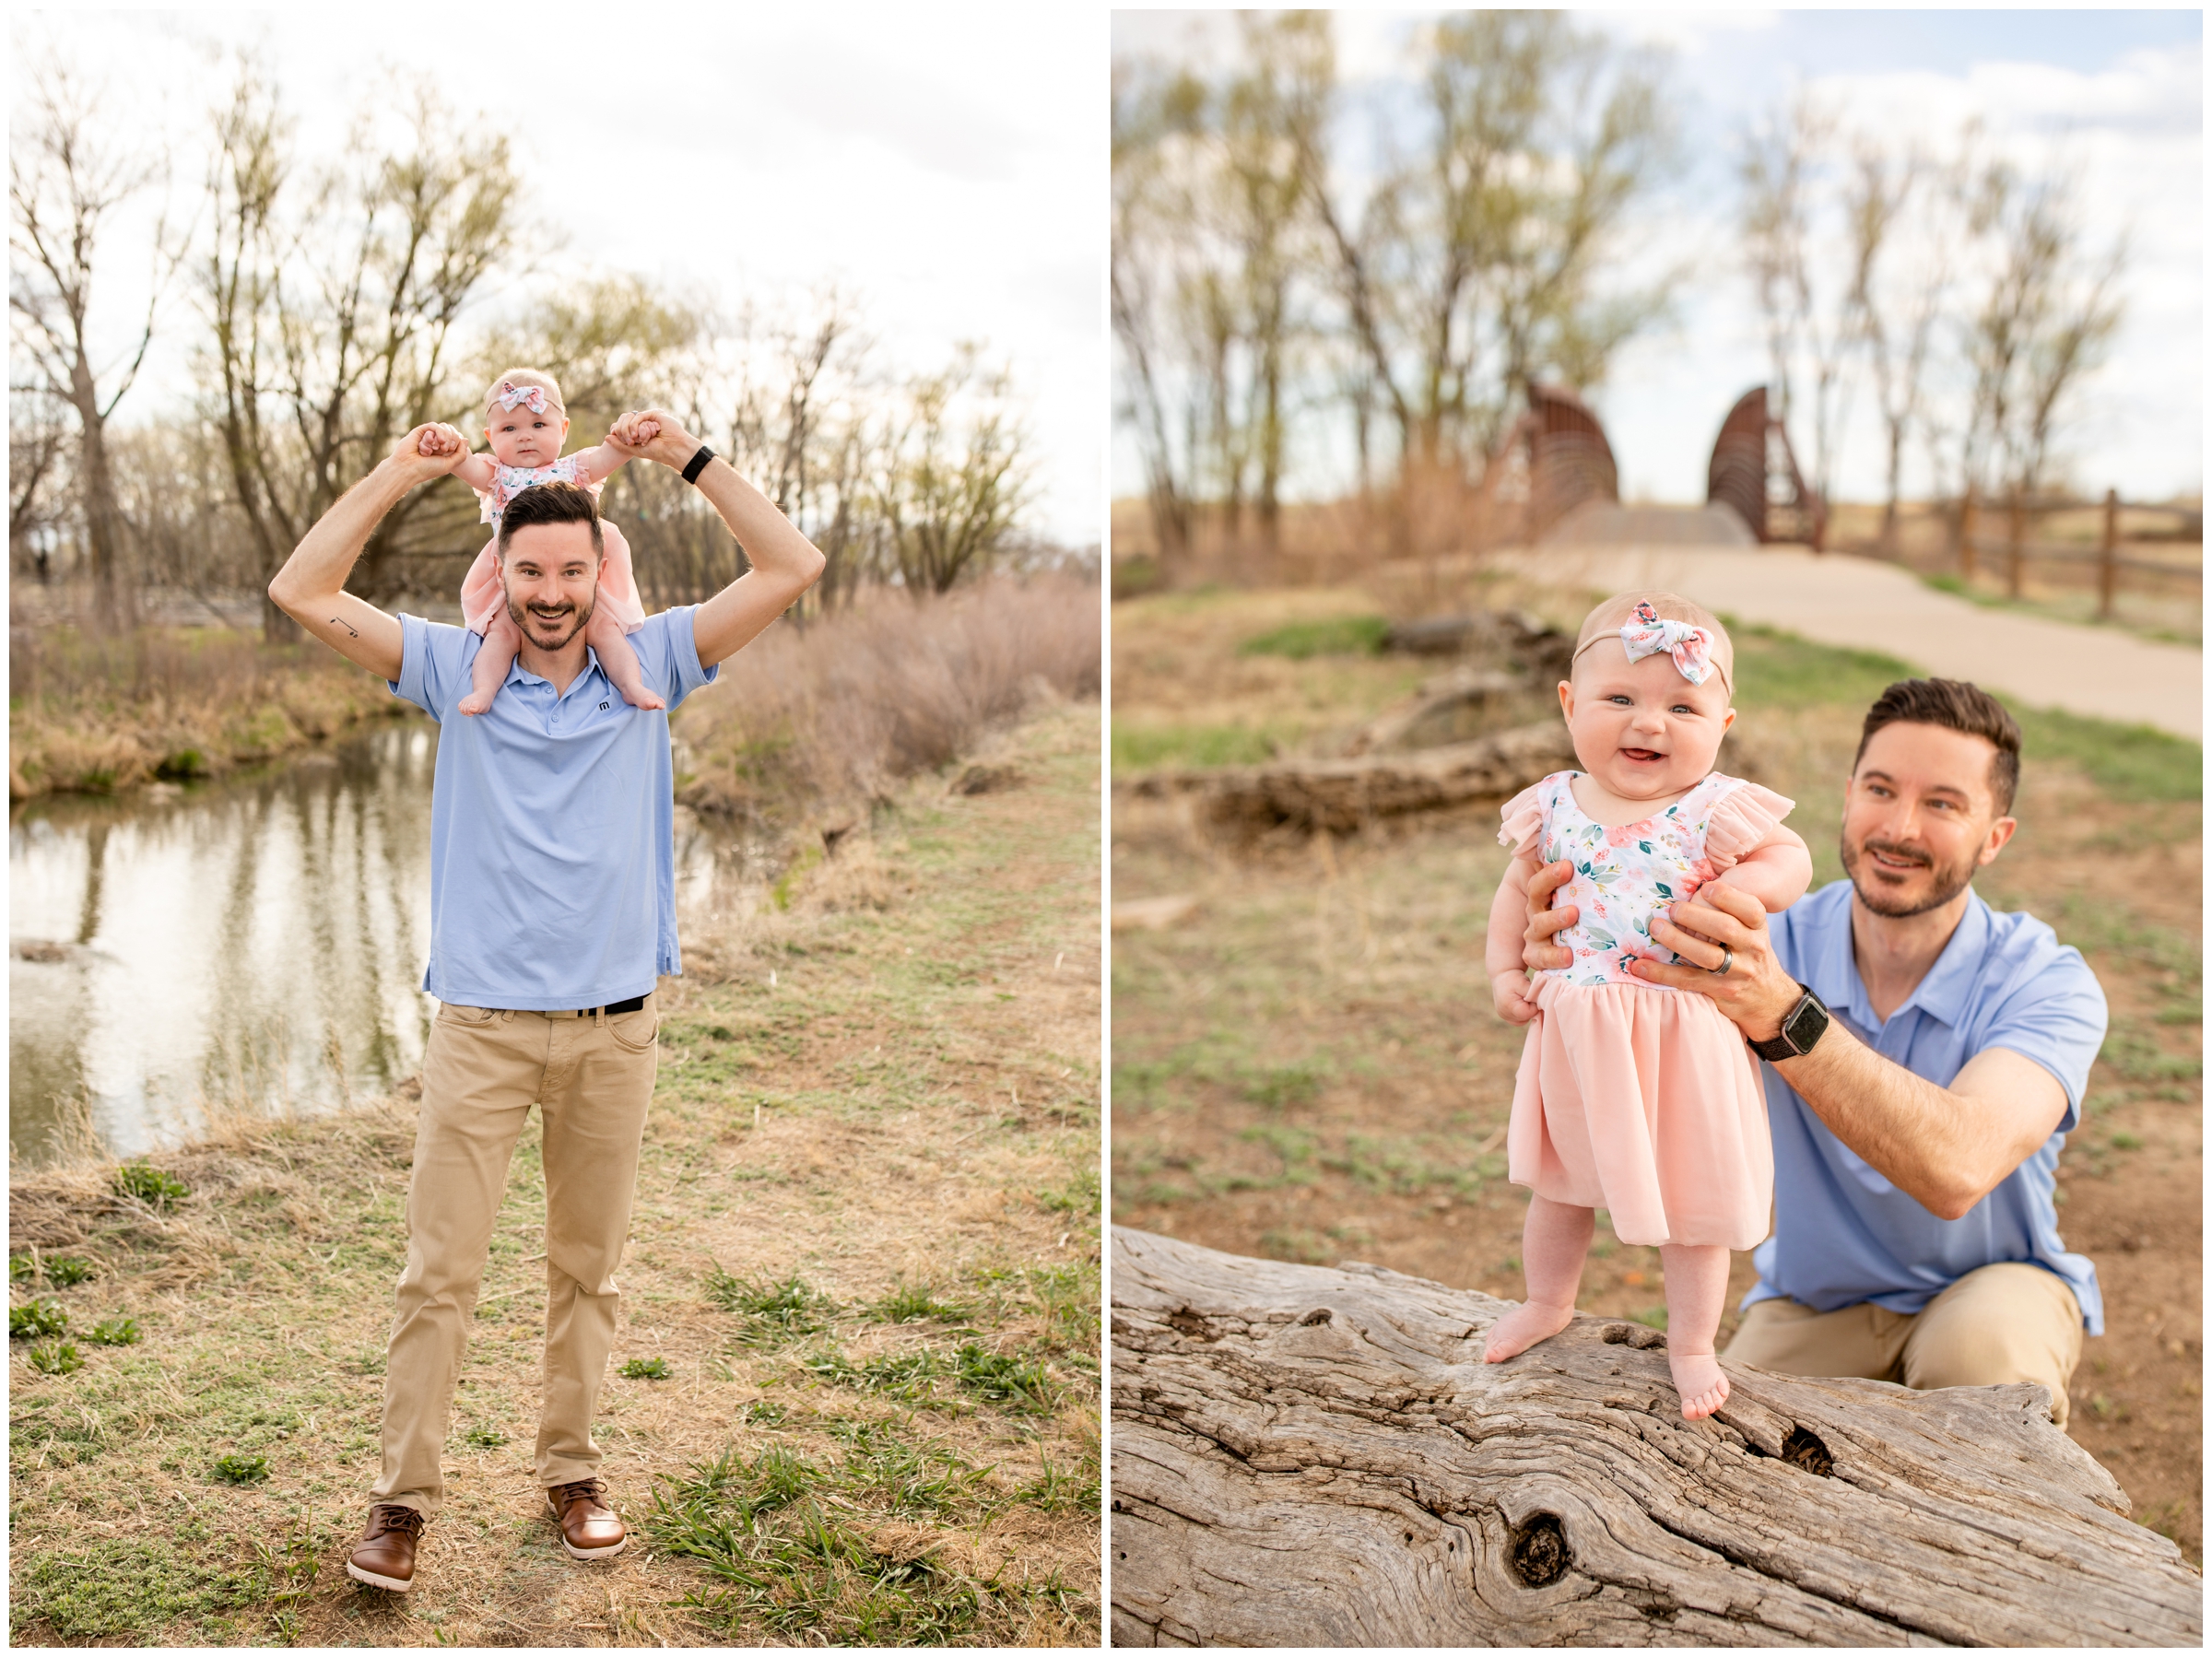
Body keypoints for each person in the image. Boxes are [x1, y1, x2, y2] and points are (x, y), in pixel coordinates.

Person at [266, 408, 824, 1593]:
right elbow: (303, 587)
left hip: (617, 1029)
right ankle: (400, 1504)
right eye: (532, 569)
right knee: (439, 1275)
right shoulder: (440, 667)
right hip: (481, 1029)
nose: (554, 590)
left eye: (574, 568)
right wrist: (402, 473)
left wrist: (687, 460)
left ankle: (572, 1473)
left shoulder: (659, 659)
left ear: (599, 569)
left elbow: (793, 567)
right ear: (501, 573)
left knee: (590, 1268)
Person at [1522, 675, 2108, 1426]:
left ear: (1996, 837)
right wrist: (1560, 955)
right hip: (1813, 1298)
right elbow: (1626, 1023)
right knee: (1724, 1443)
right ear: (1847, 794)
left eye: (1943, 804)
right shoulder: (1762, 936)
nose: (1899, 828)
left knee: (1980, 1367)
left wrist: (1781, 1012)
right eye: (1880, 789)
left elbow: (1959, 1169)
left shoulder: (2045, 979)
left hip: (1992, 1283)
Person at [1484, 593, 1812, 1419]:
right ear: (1569, 704)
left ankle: (1693, 1343)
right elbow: (1514, 895)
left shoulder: (1711, 810)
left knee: (1693, 1203)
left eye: (1682, 706)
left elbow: (1792, 856)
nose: (1649, 724)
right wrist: (1501, 974)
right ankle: (1546, 1300)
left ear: (1723, 723)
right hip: (1580, 1029)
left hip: (1682, 1033)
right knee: (1560, 1184)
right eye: (1621, 699)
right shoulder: (1554, 805)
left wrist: (1742, 888)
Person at [449, 370, 661, 716]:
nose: (524, 437)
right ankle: (484, 691)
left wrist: (632, 434)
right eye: (509, 429)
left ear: (563, 429)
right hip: (519, 579)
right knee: (501, 635)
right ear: (489, 437)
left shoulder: (575, 469)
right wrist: (447, 446)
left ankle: (631, 685)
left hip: (570, 574)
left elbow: (614, 453)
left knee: (604, 630)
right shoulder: (496, 476)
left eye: (538, 425)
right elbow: (460, 463)